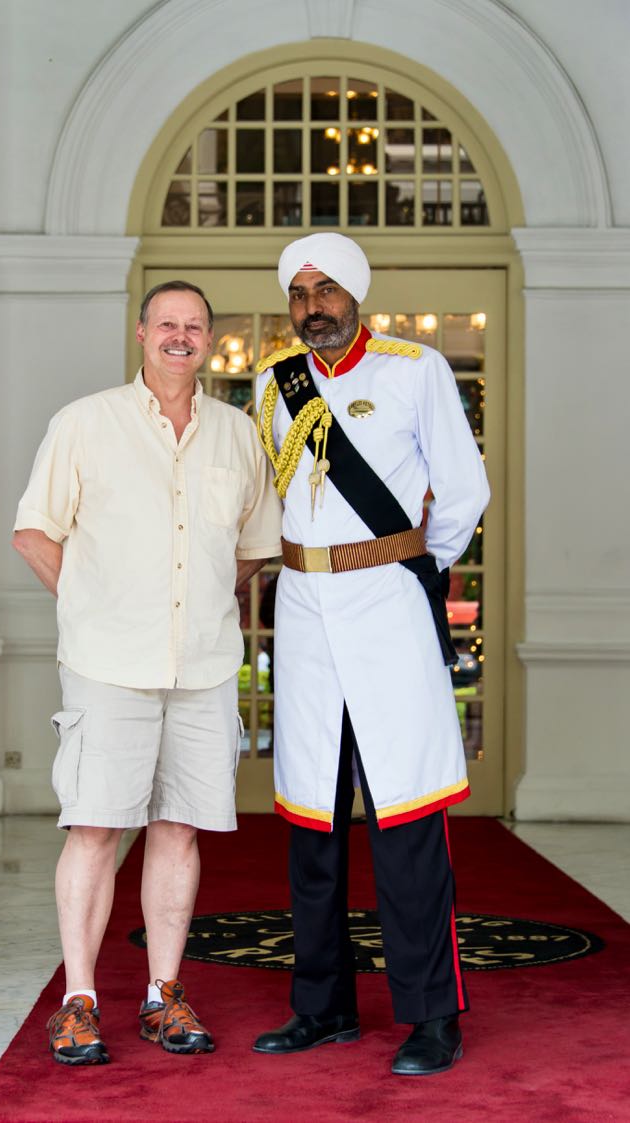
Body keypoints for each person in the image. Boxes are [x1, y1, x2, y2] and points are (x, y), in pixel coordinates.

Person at [12, 281, 282, 1066]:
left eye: (194, 326)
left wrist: (194, 605)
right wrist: (97, 607)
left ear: (209, 341)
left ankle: (165, 994)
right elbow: (34, 533)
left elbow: (255, 545)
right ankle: (79, 1000)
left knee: (178, 829)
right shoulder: (85, 423)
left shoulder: (237, 434)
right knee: (95, 829)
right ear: (141, 334)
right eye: (167, 322)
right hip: (107, 666)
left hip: (201, 667)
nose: (180, 335)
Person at [252, 233, 490, 1076]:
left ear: (355, 293)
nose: (313, 305)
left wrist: (414, 564)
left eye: (326, 290)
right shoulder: (274, 384)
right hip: (307, 617)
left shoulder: (414, 369)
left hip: (386, 605)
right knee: (313, 821)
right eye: (300, 292)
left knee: (407, 819)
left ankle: (433, 1016)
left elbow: (463, 489)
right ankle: (322, 1007)